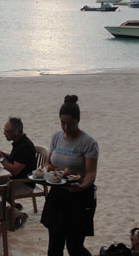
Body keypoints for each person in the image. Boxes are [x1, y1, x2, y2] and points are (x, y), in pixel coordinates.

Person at [41, 95, 99, 256]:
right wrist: (48, 170)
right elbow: (48, 163)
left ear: (78, 120)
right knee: (54, 246)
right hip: (58, 195)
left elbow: (91, 173)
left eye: (70, 124)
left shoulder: (88, 143)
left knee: (74, 246)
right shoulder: (56, 137)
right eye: (63, 123)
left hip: (80, 198)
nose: (66, 127)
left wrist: (81, 185)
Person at [0, 116, 36, 227]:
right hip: (16, 180)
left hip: (24, 183)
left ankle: (18, 215)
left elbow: (15, 170)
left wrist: (1, 159)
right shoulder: (19, 142)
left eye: (6, 131)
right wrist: (3, 155)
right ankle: (12, 206)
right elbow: (14, 159)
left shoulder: (24, 146)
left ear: (15, 131)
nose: (4, 133)